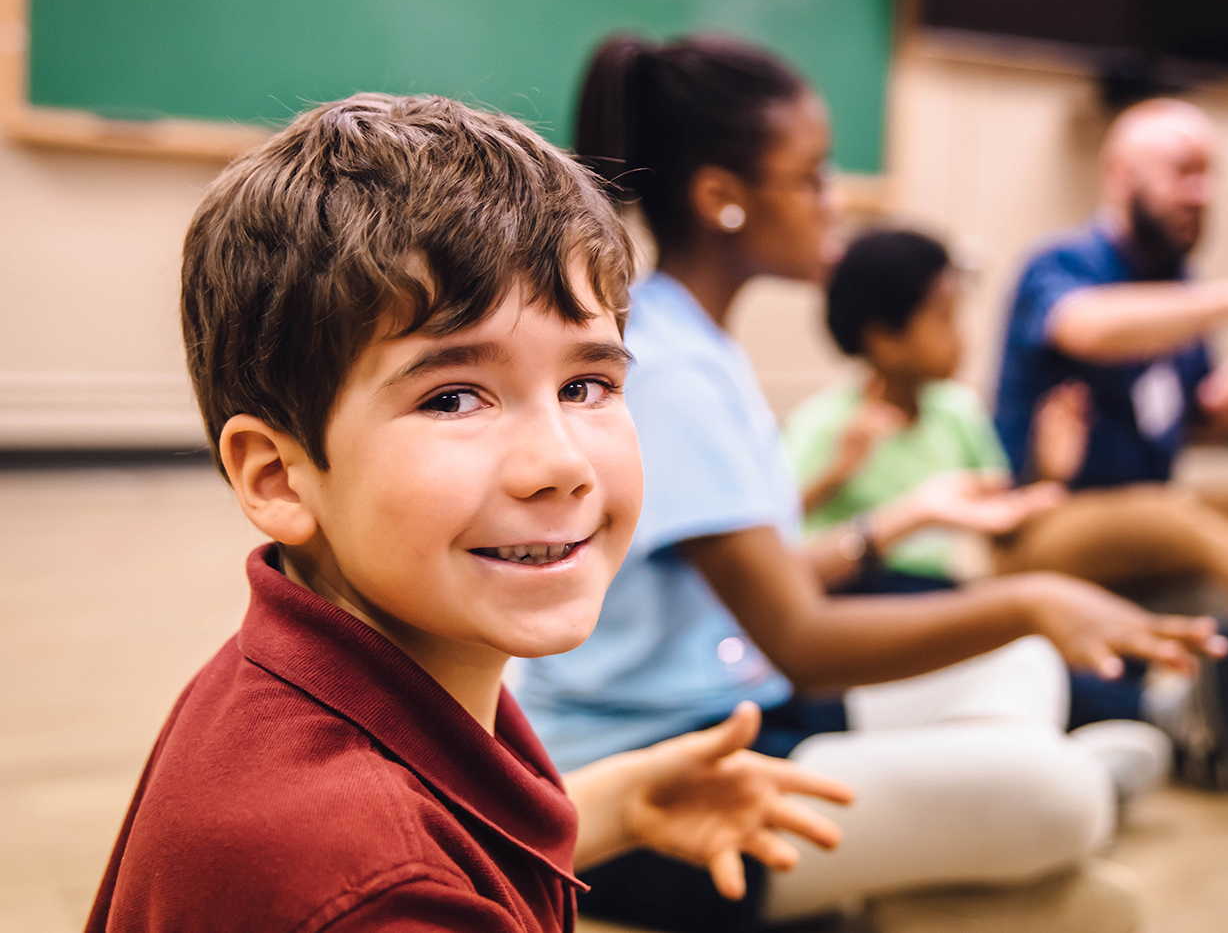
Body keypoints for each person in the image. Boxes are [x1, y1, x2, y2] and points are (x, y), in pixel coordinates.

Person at [88, 94, 857, 932]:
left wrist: (618, 804)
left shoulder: (337, 665)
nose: (560, 464)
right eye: (454, 398)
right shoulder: (375, 891)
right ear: (277, 477)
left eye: (586, 386)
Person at [518, 35, 1228, 933]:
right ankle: (988, 844)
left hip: (742, 707)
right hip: (663, 786)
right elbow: (804, 638)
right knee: (1062, 803)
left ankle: (933, 866)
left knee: (1014, 673)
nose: (834, 201)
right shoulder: (670, 370)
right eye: (813, 176)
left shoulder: (700, 343)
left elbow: (754, 590)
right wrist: (1033, 597)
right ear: (721, 199)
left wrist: (891, 527)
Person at [787, 226, 1228, 790]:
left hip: (952, 584)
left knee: (1019, 633)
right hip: (865, 594)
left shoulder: (956, 411)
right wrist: (836, 472)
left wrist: (1047, 472)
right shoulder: (826, 423)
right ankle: (1151, 714)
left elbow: (1000, 506)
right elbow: (774, 543)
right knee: (1003, 645)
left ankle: (1135, 713)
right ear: (884, 338)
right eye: (942, 319)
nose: (960, 338)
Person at [992, 97, 1228, 636]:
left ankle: (1187, 601)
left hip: (1158, 523)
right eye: (1184, 173)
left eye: (1209, 175)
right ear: (1122, 176)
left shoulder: (1185, 287)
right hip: (1041, 525)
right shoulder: (1058, 262)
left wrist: (1217, 412)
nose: (1202, 194)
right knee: (1163, 515)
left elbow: (1185, 419)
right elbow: (1087, 327)